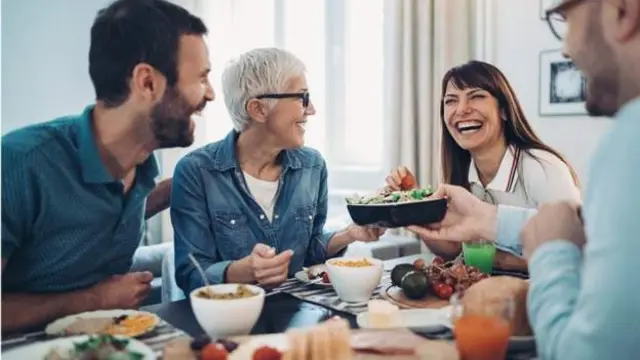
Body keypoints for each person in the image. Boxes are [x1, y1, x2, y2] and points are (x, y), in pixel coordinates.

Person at [408, 0, 640, 358]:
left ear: (624, 11)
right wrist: (421, 213)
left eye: (562, 18)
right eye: (450, 101)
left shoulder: (618, 145)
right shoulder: (460, 175)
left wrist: (514, 254)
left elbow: (580, 263)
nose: (565, 47)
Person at [1, 0, 213, 332]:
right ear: (146, 82)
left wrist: (183, 186)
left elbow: (94, 214)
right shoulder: (18, 163)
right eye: (201, 78)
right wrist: (91, 300)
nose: (210, 94)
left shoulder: (140, 162)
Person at [171, 47, 384, 294]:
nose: (311, 109)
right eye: (302, 97)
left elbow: (310, 250)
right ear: (259, 109)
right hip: (228, 316)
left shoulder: (312, 166)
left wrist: (349, 234)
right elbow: (190, 274)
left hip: (298, 313)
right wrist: (245, 271)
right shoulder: (195, 172)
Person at [386, 60, 580, 271]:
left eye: (476, 96)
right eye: (451, 100)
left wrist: (498, 259)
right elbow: (451, 248)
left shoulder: (544, 168)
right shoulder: (462, 171)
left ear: (504, 110)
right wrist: (414, 206)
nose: (461, 110)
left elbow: (576, 253)